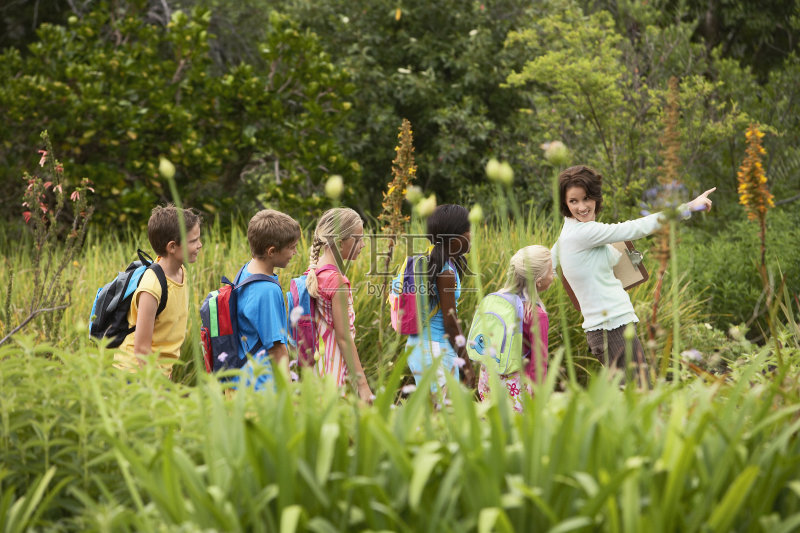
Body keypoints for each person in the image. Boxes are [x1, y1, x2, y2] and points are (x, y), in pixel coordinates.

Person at [551, 165, 715, 382]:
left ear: (596, 197)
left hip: (611, 328)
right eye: (574, 201)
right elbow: (637, 227)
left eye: (586, 198)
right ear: (565, 203)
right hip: (612, 329)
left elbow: (547, 262)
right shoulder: (582, 233)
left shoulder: (570, 231)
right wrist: (689, 207)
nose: (582, 207)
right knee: (640, 396)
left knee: (632, 401)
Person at [115, 204, 203, 377]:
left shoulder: (181, 272)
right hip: (135, 374)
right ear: (172, 247)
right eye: (193, 241)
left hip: (159, 371)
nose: (199, 245)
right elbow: (141, 349)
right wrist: (158, 388)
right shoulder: (151, 288)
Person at [406, 204, 476, 393]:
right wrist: (467, 366)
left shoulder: (432, 261)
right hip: (435, 349)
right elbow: (450, 323)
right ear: (454, 238)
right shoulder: (445, 272)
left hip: (417, 346)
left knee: (433, 414)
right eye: (469, 230)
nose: (472, 236)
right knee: (445, 416)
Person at [305, 207, 373, 402]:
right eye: (358, 239)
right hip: (335, 370)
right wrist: (363, 386)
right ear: (341, 242)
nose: (363, 245)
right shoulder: (337, 282)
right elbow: (344, 339)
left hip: (316, 368)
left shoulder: (313, 275)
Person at [476, 245, 553, 411]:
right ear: (539, 282)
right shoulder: (536, 314)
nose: (553, 276)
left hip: (489, 379)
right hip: (517, 389)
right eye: (551, 271)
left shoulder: (498, 301)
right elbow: (539, 363)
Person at [235, 209, 301, 390]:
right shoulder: (267, 290)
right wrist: (289, 395)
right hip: (261, 385)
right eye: (292, 247)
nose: (295, 252)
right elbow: (277, 349)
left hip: (241, 378)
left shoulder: (246, 271)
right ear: (272, 251)